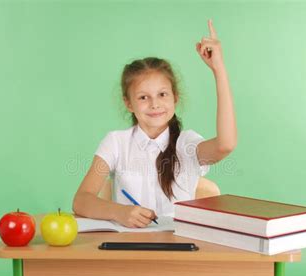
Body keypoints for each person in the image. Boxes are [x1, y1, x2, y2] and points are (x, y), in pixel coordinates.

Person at [73, 19, 237, 228]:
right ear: (129, 103)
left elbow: (226, 144)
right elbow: (81, 200)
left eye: (162, 94)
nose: (154, 104)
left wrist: (218, 69)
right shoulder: (116, 143)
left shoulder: (187, 144)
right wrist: (119, 211)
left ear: (175, 98)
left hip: (179, 250)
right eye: (143, 97)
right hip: (129, 250)